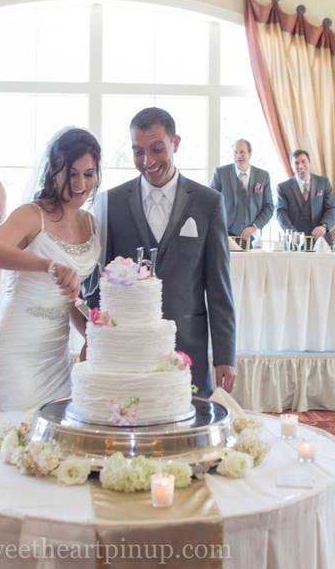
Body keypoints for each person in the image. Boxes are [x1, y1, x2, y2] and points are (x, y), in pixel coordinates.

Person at [88, 107, 236, 396]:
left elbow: (219, 287)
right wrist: (93, 340)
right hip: (129, 349)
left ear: (175, 143)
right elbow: (99, 285)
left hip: (187, 344)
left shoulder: (208, 203)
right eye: (137, 151)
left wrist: (224, 355)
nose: (147, 161)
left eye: (156, 148)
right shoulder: (111, 202)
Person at [0, 128, 101, 414]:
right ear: (52, 171)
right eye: (72, 173)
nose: (81, 183)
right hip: (15, 348)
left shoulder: (91, 224)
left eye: (88, 173)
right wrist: (49, 265)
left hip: (55, 353)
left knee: (50, 438)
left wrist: (91, 333)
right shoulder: (33, 214)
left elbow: (70, 297)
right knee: (12, 434)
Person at [209, 138, 274, 248]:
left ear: (250, 154)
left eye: (242, 152)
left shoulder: (263, 176)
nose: (239, 156)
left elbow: (269, 207)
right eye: (236, 152)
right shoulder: (221, 173)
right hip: (226, 236)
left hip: (252, 238)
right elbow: (210, 202)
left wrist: (255, 226)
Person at [276, 149, 335, 244]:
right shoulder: (283, 188)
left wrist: (323, 226)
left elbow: (331, 208)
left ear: (309, 163)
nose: (300, 166)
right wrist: (292, 232)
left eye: (303, 161)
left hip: (321, 240)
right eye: (296, 163)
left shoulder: (323, 183)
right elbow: (281, 213)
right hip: (294, 241)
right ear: (292, 167)